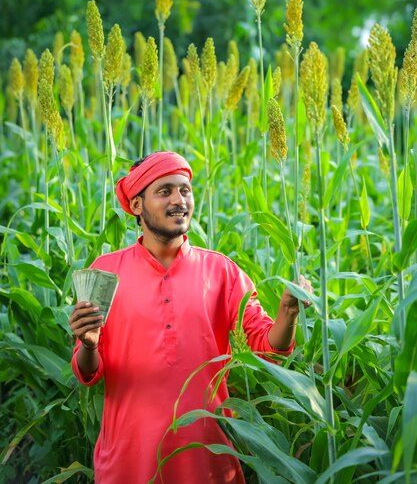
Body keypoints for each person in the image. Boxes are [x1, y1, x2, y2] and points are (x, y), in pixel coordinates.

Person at [69, 151, 313, 484]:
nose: (179, 200)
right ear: (137, 206)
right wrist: (88, 346)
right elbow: (88, 372)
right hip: (128, 464)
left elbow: (268, 347)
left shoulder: (221, 270)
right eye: (165, 191)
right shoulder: (107, 271)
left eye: (185, 190)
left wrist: (288, 313)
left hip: (209, 463)